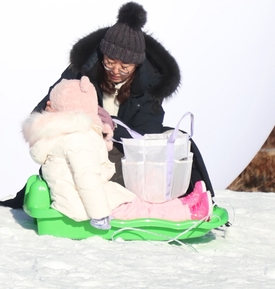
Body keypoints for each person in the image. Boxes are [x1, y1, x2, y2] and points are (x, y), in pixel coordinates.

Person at [34, 2, 214, 197]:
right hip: (82, 148)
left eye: (125, 66)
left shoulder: (150, 84)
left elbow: (146, 133)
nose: (116, 71)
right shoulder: (81, 72)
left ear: (137, 64)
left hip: (124, 153)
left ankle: (198, 200)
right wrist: (50, 115)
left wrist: (110, 127)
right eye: (109, 63)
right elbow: (40, 110)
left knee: (181, 142)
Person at [22, 75, 212, 227]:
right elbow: (87, 178)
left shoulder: (60, 134)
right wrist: (99, 215)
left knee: (138, 203)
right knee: (144, 210)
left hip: (82, 197)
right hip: (87, 205)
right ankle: (190, 212)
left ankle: (185, 203)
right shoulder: (78, 139)